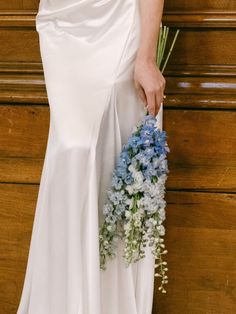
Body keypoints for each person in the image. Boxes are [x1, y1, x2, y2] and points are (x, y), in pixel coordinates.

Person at [16, 1, 165, 313]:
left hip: (118, 16)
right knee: (70, 152)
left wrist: (147, 56)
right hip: (63, 22)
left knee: (107, 163)